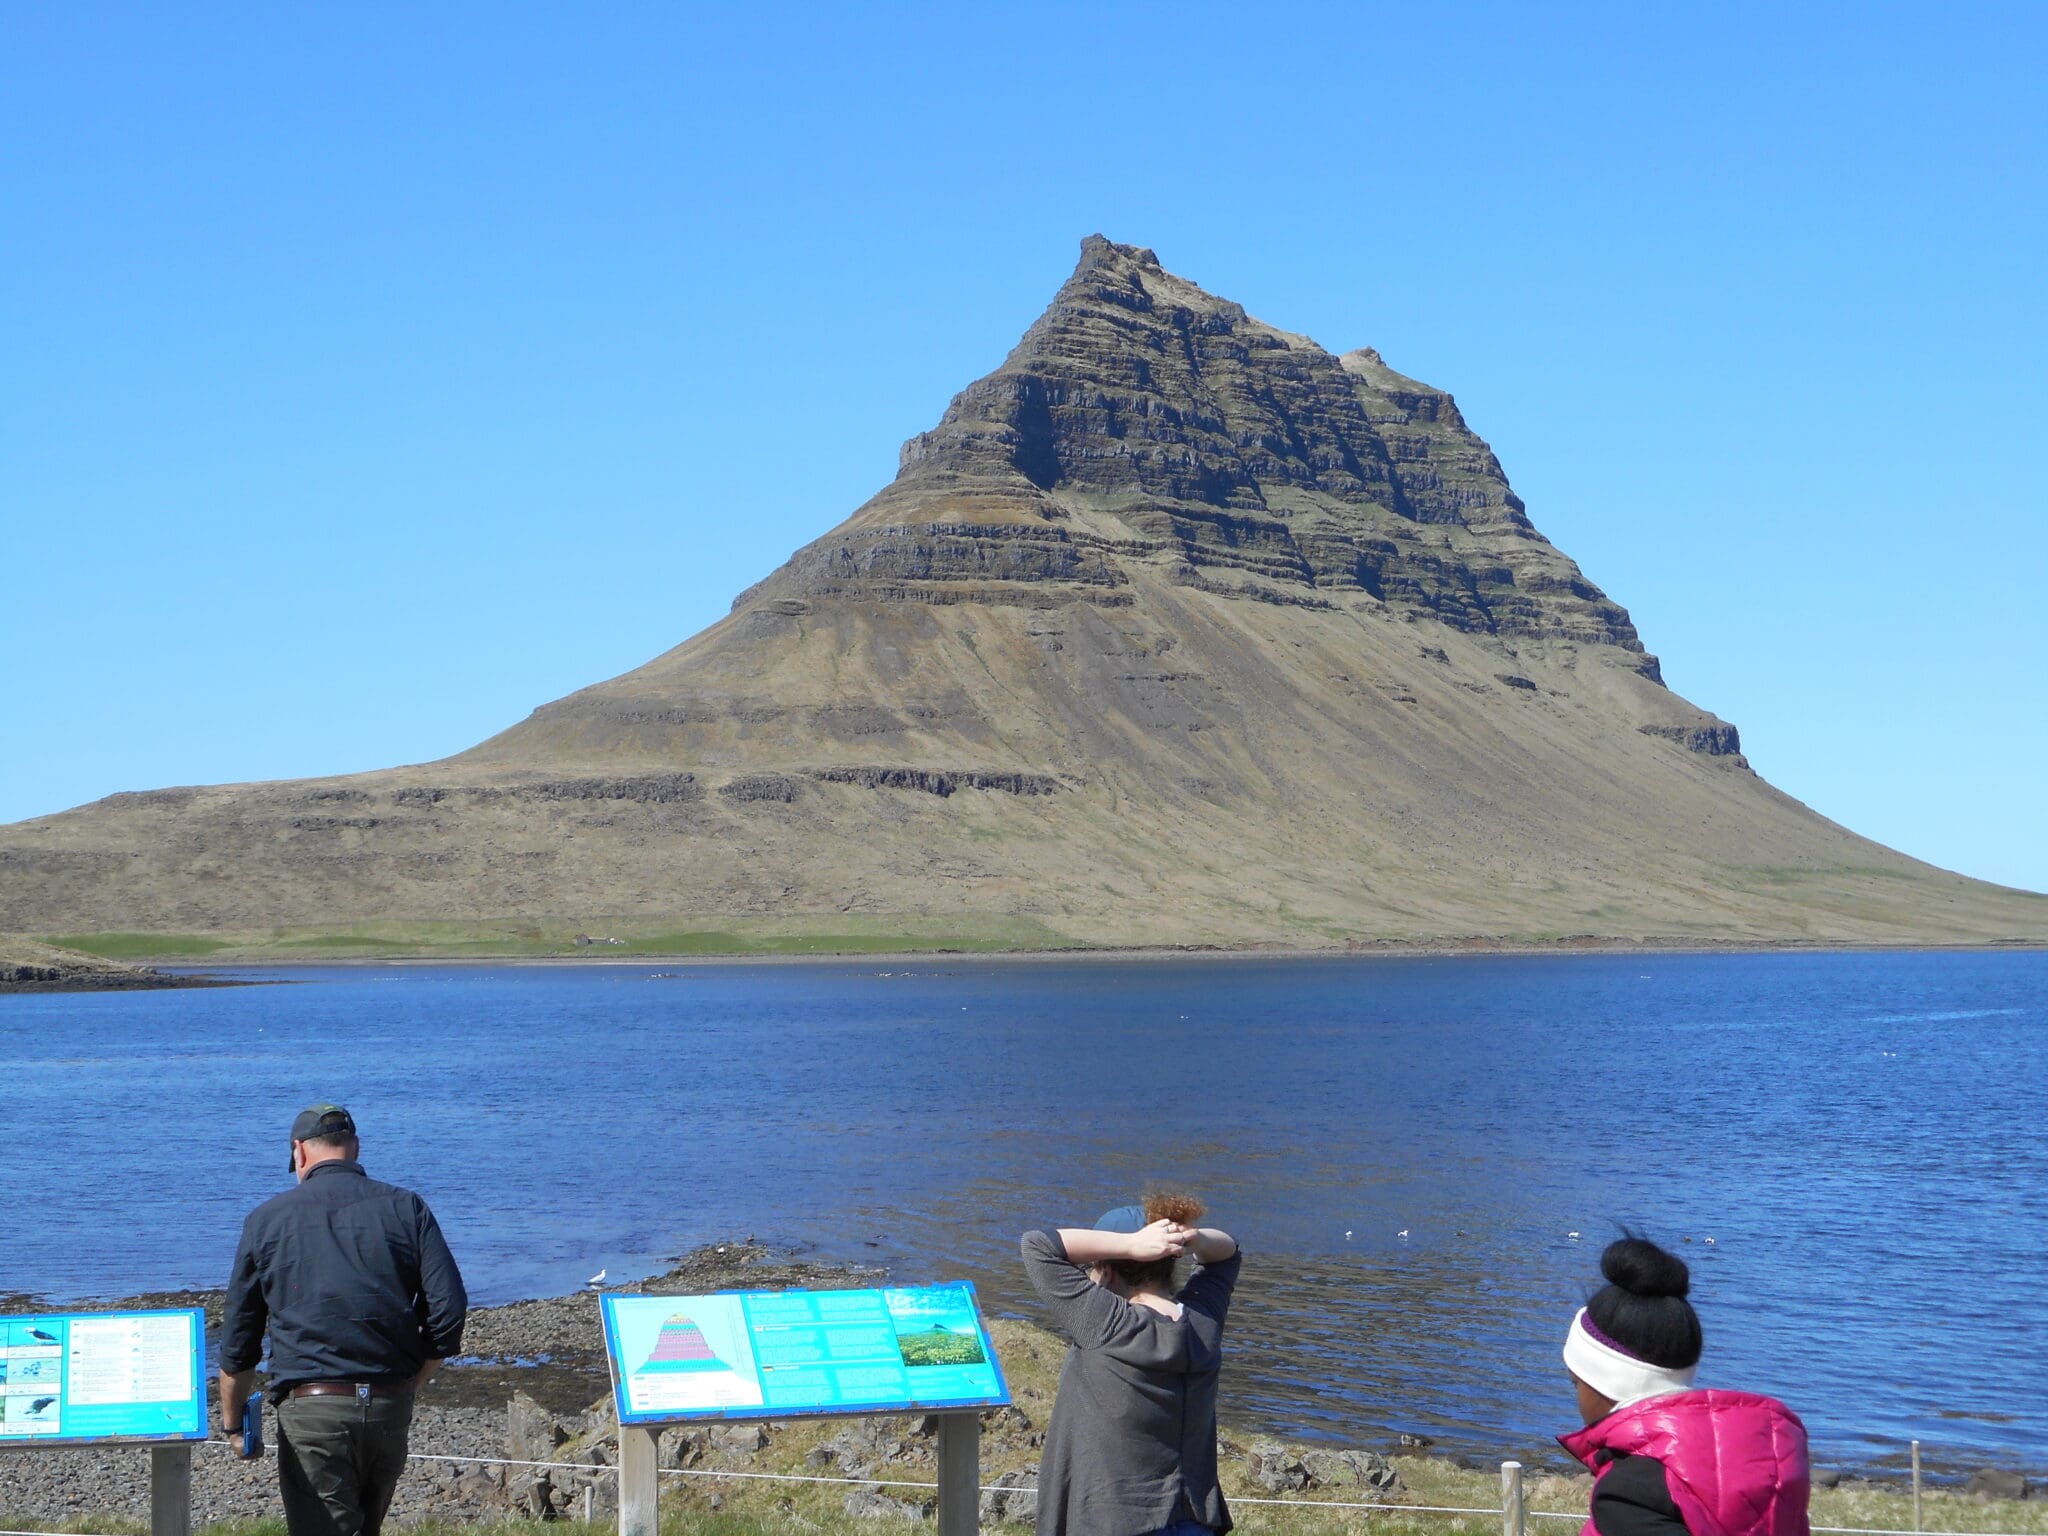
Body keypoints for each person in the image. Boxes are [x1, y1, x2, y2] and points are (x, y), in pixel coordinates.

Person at [219, 1104, 468, 1536]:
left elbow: (240, 1338)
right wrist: (413, 1382)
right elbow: (448, 1312)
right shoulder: (407, 1208)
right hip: (389, 1402)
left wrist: (233, 1423)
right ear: (354, 1148)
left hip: (312, 1408)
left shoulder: (266, 1220)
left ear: (298, 1152)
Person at [1020, 1194, 1241, 1536]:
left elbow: (1036, 1245)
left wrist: (1130, 1244)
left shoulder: (1108, 1323)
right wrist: (1188, 1237)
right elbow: (1228, 1254)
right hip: (1194, 1520)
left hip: (1111, 1523)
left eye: (1091, 1268)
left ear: (1106, 1271)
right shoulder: (1202, 1323)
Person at [1559, 1236, 1810, 1536]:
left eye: (1576, 1382)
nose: (1578, 1400)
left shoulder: (1628, 1493)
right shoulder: (1772, 1453)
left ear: (1606, 1382)